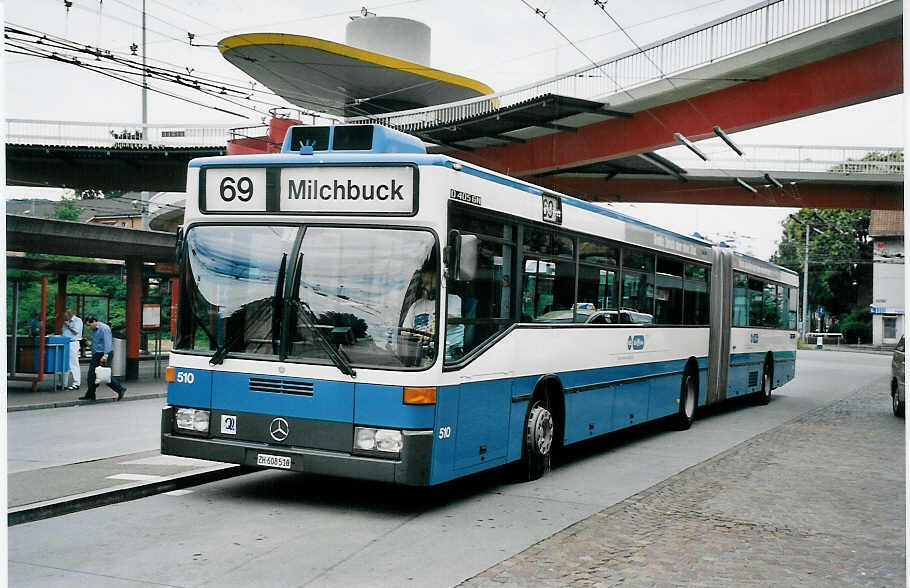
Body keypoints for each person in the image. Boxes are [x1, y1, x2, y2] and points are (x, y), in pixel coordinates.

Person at [401, 268, 464, 361]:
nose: (423, 286)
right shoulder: (416, 305)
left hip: (448, 356)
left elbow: (449, 321)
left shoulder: (454, 300)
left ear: (438, 281)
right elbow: (405, 331)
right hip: (420, 354)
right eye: (423, 282)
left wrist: (428, 333)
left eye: (427, 282)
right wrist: (415, 337)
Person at [80, 315, 127, 401]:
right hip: (97, 354)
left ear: (94, 321)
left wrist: (105, 355)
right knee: (92, 375)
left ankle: (120, 389)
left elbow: (107, 342)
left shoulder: (104, 328)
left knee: (104, 375)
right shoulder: (95, 329)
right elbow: (97, 342)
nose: (89, 327)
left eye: (89, 325)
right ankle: (90, 394)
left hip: (104, 354)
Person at [61, 308, 83, 390]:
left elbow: (76, 332)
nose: (65, 316)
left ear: (70, 314)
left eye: (66, 315)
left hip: (73, 343)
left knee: (73, 363)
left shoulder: (77, 321)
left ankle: (76, 383)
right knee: (64, 363)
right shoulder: (65, 321)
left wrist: (68, 326)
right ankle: (63, 383)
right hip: (65, 342)